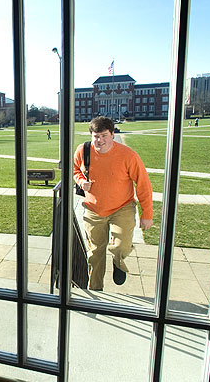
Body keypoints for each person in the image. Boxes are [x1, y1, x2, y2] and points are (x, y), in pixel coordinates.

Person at [73, 116, 153, 291]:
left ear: (112, 134)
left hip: (122, 208)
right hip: (94, 209)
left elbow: (143, 184)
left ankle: (118, 261)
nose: (99, 140)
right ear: (91, 135)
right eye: (96, 136)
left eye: (104, 135)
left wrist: (147, 214)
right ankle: (95, 290)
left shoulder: (128, 155)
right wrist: (80, 181)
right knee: (95, 254)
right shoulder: (83, 150)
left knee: (121, 246)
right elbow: (75, 169)